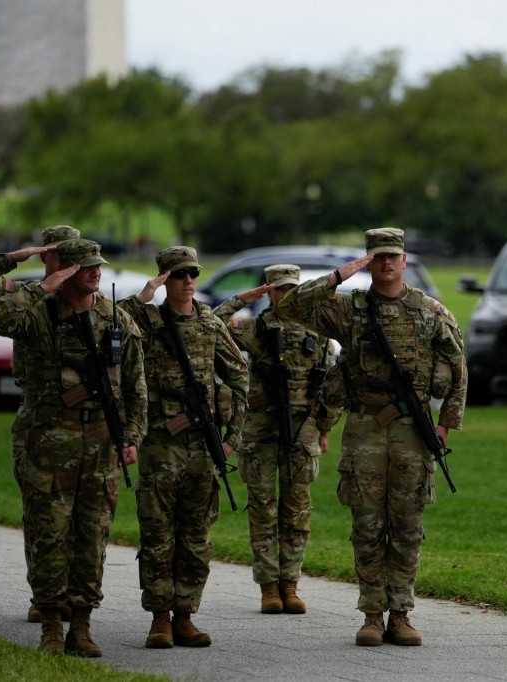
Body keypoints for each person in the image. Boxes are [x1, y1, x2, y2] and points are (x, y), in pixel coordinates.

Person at [277, 227, 466, 647]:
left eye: (392, 256)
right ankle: (371, 616)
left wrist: (445, 423)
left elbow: (457, 365)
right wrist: (337, 277)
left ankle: (401, 614)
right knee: (366, 524)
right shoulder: (350, 309)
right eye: (377, 256)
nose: (385, 263)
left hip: (412, 431)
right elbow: (289, 307)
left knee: (407, 524)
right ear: (368, 260)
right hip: (364, 427)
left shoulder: (429, 310)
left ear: (404, 260)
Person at [0, 238, 147, 656]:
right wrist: (39, 281)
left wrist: (131, 437)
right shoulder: (39, 313)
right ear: (69, 270)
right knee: (49, 536)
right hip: (50, 443)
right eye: (87, 266)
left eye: (98, 266)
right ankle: (52, 626)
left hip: (101, 448)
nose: (96, 272)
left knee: (93, 539)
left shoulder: (115, 319)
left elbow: (135, 386)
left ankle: (83, 624)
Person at [119, 246, 249, 650]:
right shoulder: (146, 321)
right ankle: (159, 617)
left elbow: (241, 378)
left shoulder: (210, 324)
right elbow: (111, 317)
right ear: (164, 279)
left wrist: (232, 438)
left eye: (193, 272)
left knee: (196, 537)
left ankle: (185, 616)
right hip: (161, 444)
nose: (189, 280)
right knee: (158, 535)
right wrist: (145, 295)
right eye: (179, 274)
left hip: (202, 448)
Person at [0, 225, 80, 624]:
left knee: (83, 515)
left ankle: (75, 594)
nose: (67, 262)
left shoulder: (89, 299)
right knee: (42, 513)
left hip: (84, 421)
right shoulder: (23, 294)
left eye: (72, 254)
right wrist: (12, 259)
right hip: (39, 420)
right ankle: (44, 595)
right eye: (58, 252)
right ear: (46, 255)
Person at [213, 264, 336, 615]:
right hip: (262, 432)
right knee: (264, 510)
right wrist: (240, 300)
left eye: (292, 289)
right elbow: (209, 325)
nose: (287, 296)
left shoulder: (319, 333)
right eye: (280, 289)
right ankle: (269, 587)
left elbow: (327, 385)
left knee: (297, 511)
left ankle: (290, 584)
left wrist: (324, 428)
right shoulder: (255, 328)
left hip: (302, 432)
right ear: (270, 292)